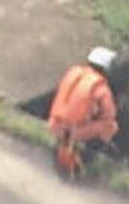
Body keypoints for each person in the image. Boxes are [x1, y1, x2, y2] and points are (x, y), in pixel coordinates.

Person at [47, 47, 120, 177]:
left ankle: (65, 143)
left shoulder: (73, 72)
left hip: (53, 123)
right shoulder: (101, 87)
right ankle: (89, 154)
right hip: (72, 132)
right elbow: (110, 114)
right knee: (111, 125)